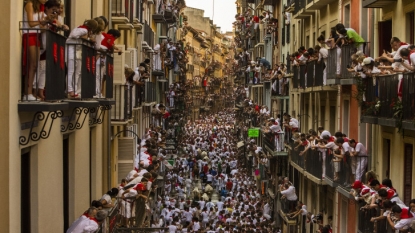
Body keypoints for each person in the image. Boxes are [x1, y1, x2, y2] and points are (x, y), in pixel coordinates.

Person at [66, 19, 99, 98]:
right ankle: (70, 90)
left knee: (77, 72)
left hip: (77, 51)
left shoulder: (84, 30)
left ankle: (74, 89)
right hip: (71, 49)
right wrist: (87, 39)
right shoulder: (83, 30)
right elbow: (74, 35)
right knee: (71, 71)